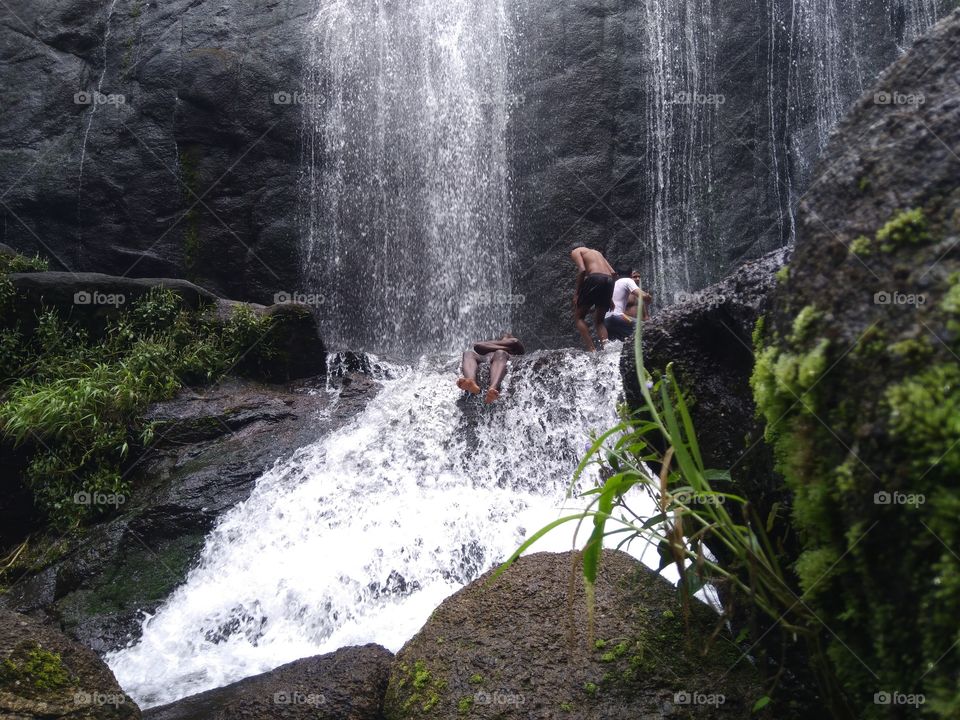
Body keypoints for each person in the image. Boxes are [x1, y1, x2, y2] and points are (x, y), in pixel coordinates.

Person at [456, 333, 526, 404]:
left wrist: (502, 348)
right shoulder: (508, 348)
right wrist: (508, 348)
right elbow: (478, 346)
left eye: (508, 337)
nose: (506, 337)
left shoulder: (516, 346)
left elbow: (515, 341)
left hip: (501, 359)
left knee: (500, 353)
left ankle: (493, 389)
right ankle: (471, 383)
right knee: (468, 353)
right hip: (486, 358)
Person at [570, 247, 616, 352]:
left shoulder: (576, 251)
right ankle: (607, 349)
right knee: (600, 321)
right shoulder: (598, 253)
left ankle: (592, 350)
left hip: (595, 278)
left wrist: (577, 293)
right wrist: (610, 298)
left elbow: (582, 270)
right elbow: (613, 273)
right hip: (609, 281)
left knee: (579, 317)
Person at [604, 270, 653, 341]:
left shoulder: (640, 294)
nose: (637, 279)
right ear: (630, 277)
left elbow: (645, 316)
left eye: (639, 277)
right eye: (635, 277)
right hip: (622, 321)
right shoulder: (623, 291)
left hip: (634, 324)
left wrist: (649, 325)